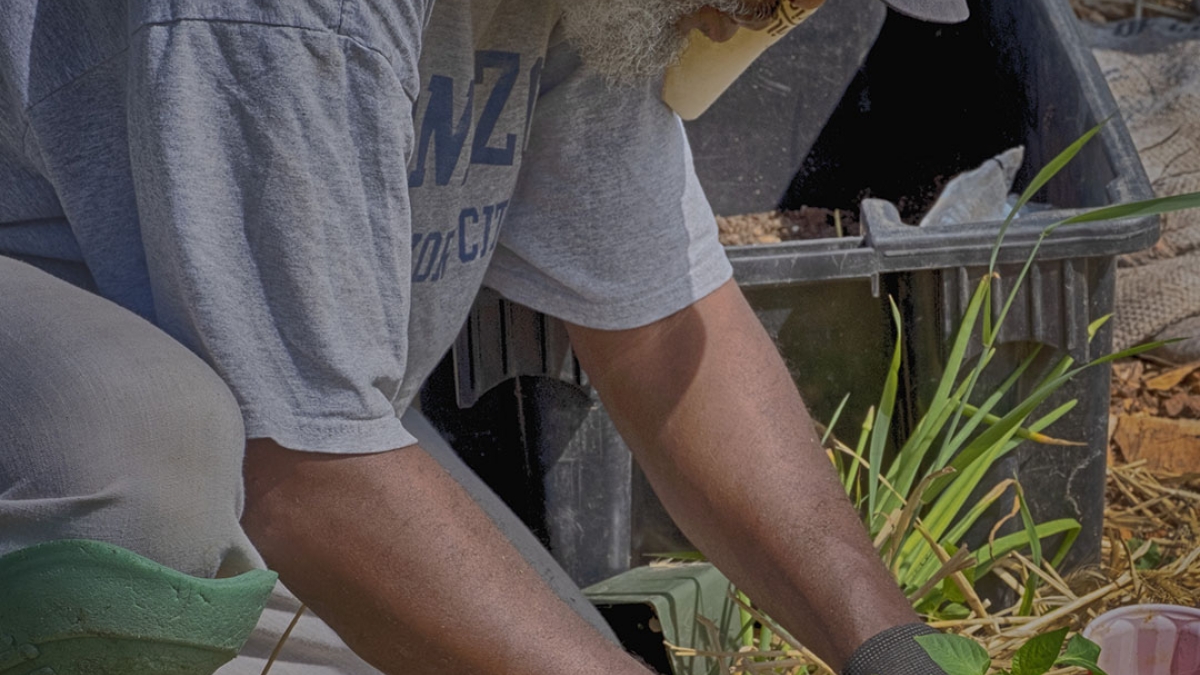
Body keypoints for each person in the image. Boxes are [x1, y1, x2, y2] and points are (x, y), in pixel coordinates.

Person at [0, 0, 967, 673]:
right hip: (101, 399)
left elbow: (665, 327)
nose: (747, 24)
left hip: (272, 429)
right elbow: (306, 470)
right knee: (143, 449)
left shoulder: (602, 12)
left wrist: (892, 646)